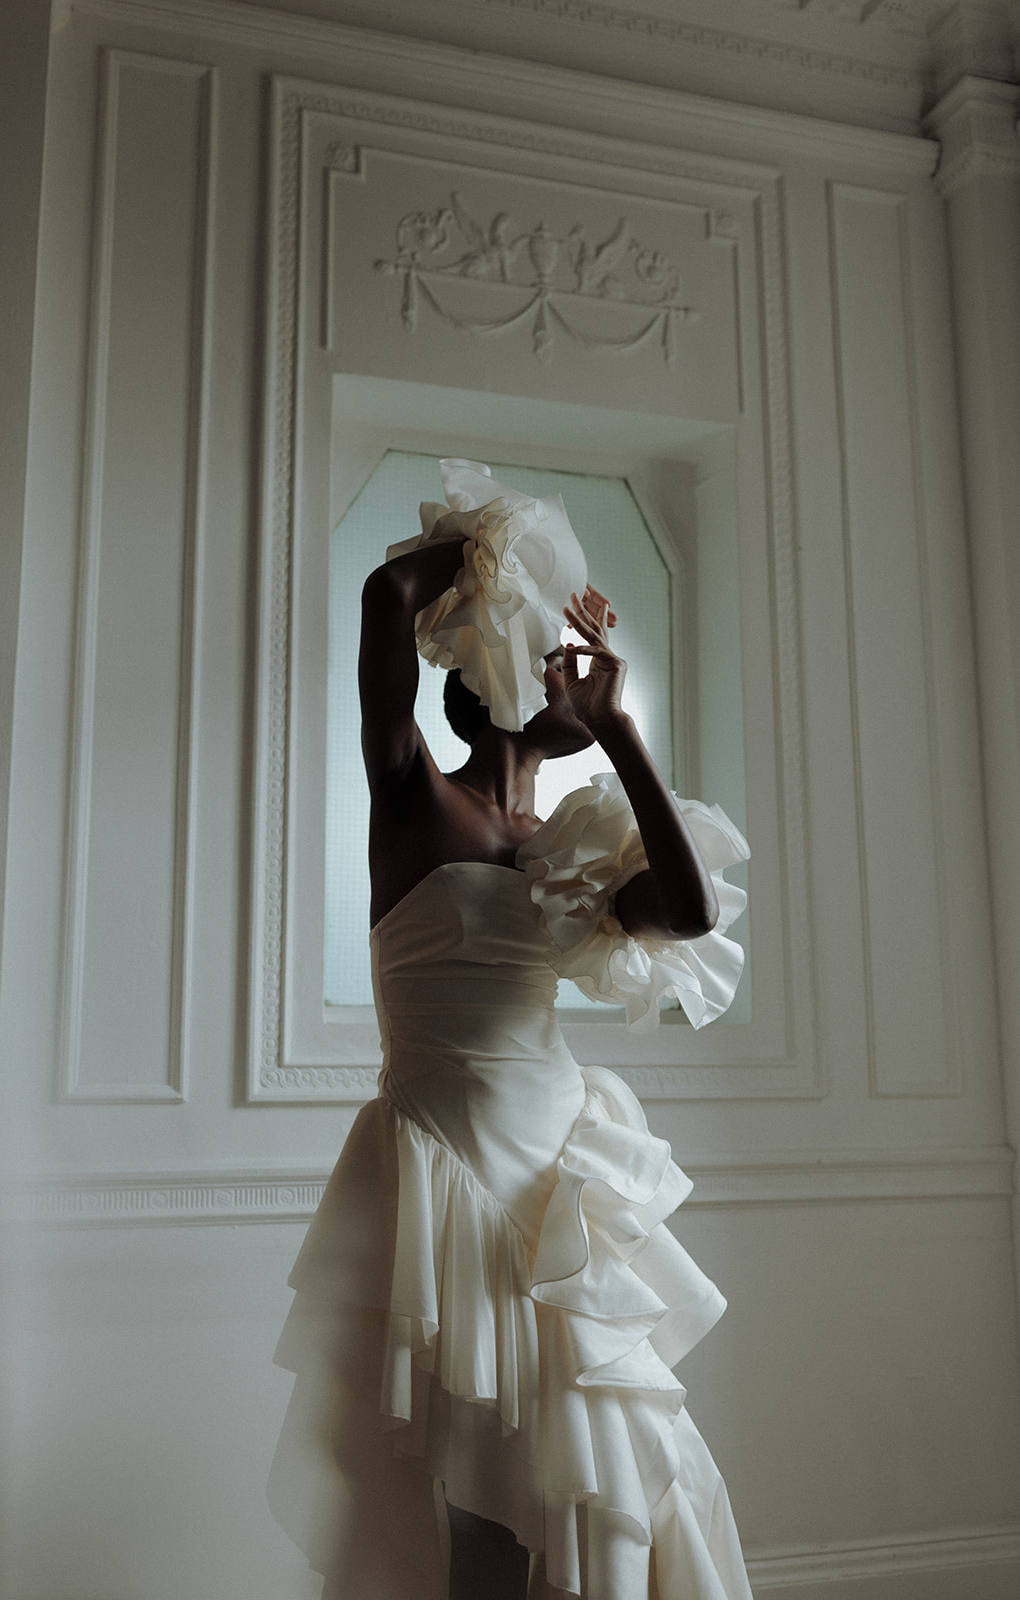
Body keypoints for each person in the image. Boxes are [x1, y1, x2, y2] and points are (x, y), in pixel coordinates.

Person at [268, 461, 753, 1600]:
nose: (563, 665)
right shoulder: (413, 795)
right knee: (479, 1509)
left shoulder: (563, 846)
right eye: (542, 653)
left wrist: (621, 732)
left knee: (609, 1477)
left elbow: (685, 913)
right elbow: (386, 600)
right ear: (496, 668)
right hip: (449, 1183)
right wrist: (509, 551)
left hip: (558, 1195)